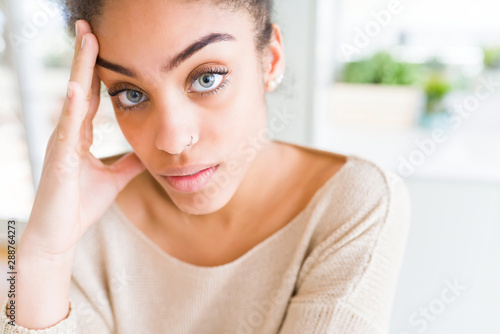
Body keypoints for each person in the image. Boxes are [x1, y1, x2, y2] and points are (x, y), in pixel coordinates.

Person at [0, 0, 411, 333]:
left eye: (207, 78)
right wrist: (42, 257)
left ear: (270, 60)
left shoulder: (353, 203)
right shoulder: (82, 216)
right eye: (130, 94)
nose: (172, 139)